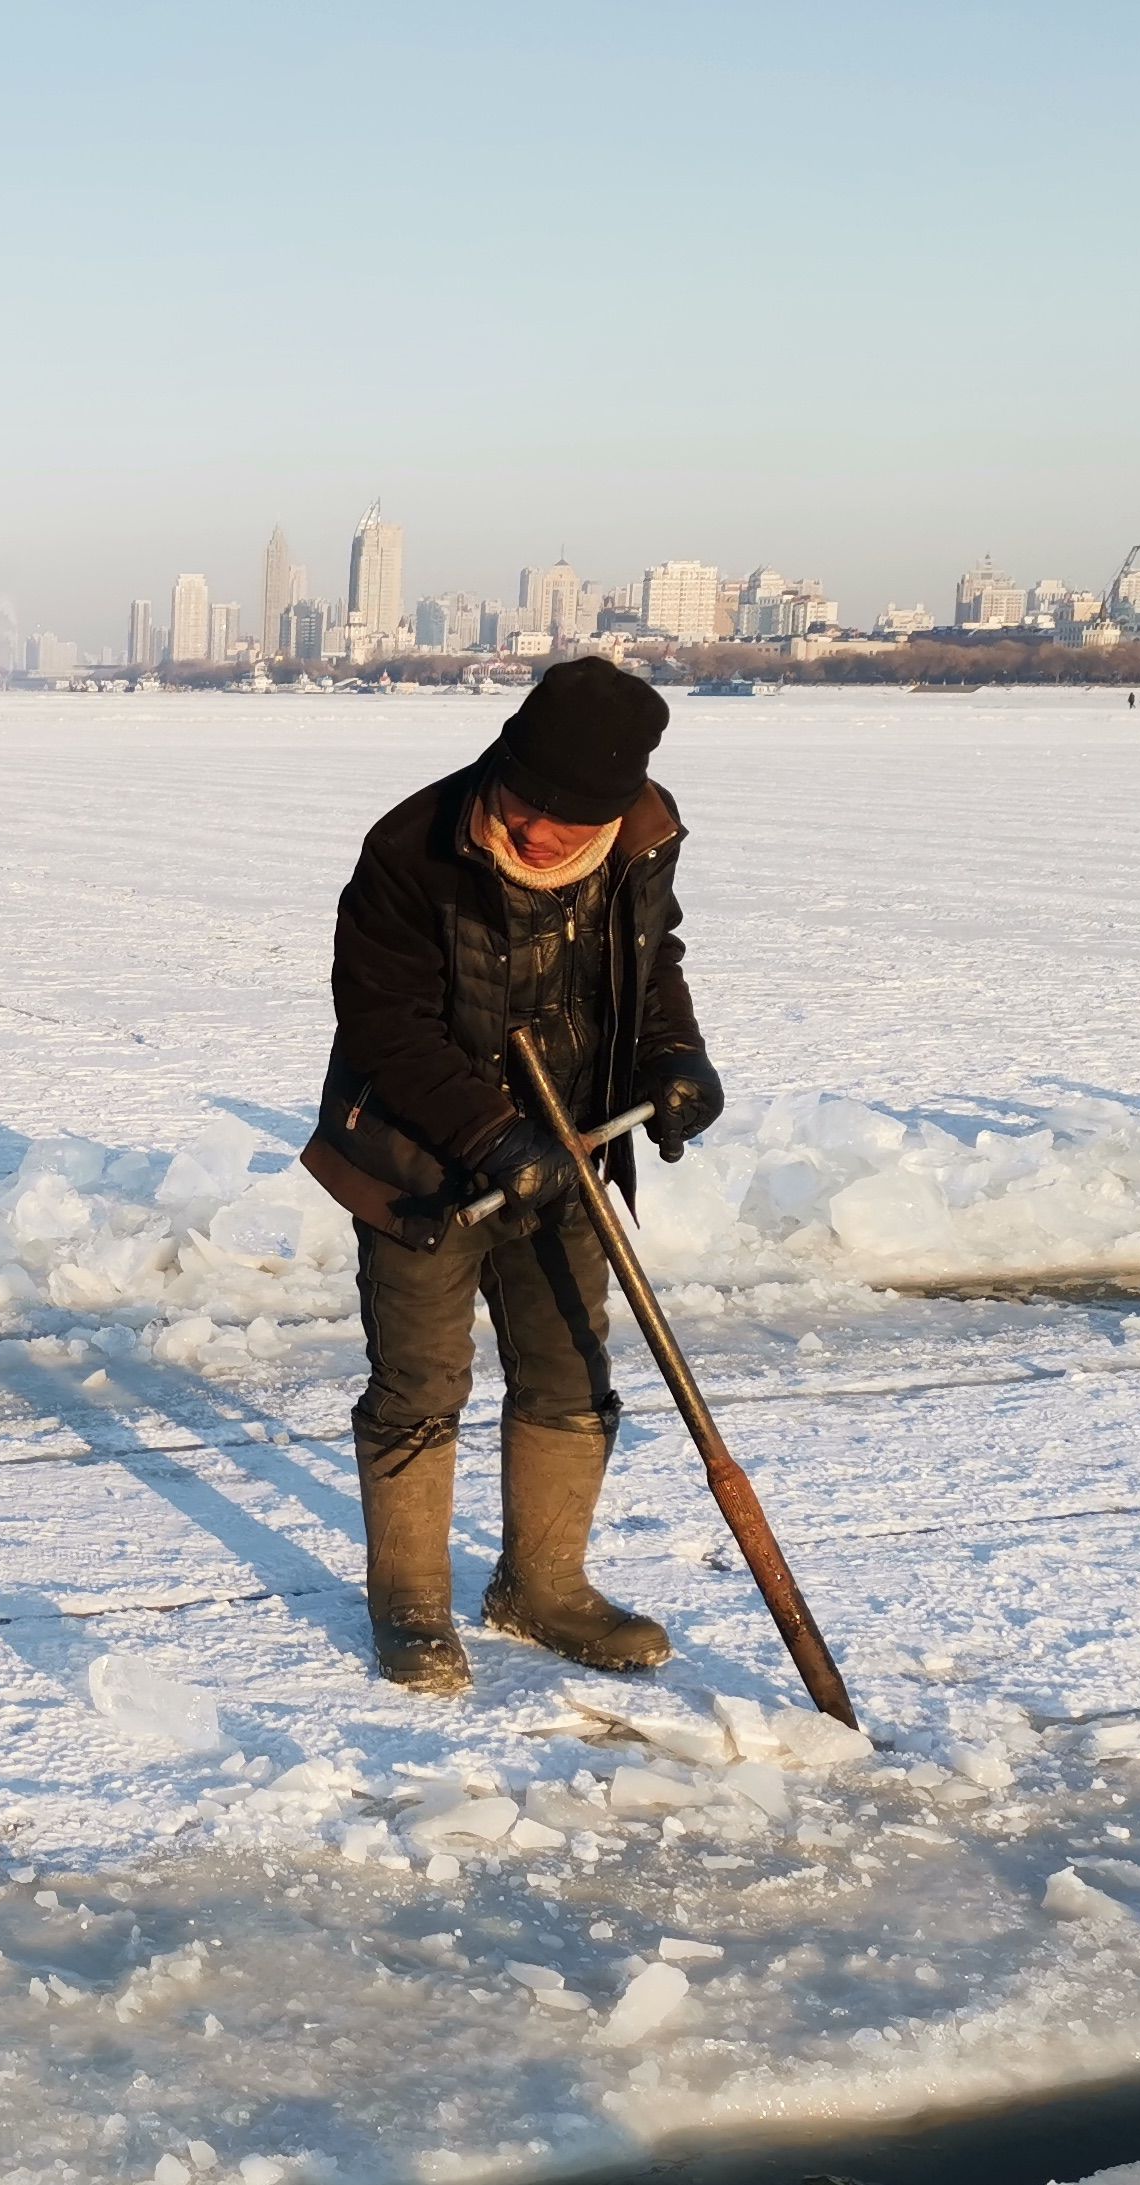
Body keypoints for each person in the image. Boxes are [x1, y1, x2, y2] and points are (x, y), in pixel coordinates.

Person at [301, 659, 723, 1697]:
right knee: (419, 1381)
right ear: (500, 764)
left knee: (570, 1372)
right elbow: (381, 1023)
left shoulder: (640, 841)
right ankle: (407, 1602)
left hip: (571, 1145)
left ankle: (542, 1587)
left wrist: (675, 1060)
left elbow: (648, 960)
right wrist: (489, 1136)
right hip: (417, 1162)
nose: (537, 836)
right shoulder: (411, 848)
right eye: (525, 808)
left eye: (565, 824)